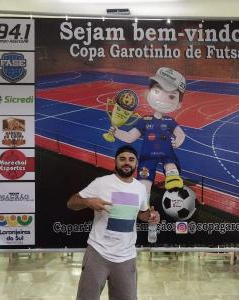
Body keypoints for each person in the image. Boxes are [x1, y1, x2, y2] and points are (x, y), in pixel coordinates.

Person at [67, 145, 160, 300]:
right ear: (115, 162)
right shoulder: (101, 182)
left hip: (126, 256)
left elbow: (142, 213)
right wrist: (88, 202)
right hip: (98, 252)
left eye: (131, 160)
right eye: (122, 159)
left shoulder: (140, 188)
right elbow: (71, 202)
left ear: (136, 164)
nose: (127, 163)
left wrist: (151, 216)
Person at [110, 67, 186, 199]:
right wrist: (117, 132)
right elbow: (130, 137)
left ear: (179, 104)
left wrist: (177, 142)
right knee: (144, 187)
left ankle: (172, 177)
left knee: (170, 164)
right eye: (157, 91)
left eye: (171, 96)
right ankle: (144, 205)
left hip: (166, 153)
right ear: (148, 93)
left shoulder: (169, 121)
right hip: (147, 158)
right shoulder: (144, 120)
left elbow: (180, 134)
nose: (163, 99)